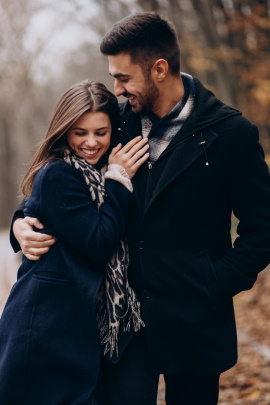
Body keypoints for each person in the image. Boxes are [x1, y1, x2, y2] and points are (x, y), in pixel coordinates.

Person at [10, 12, 270, 405]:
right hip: (125, 325)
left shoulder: (232, 134)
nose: (116, 87)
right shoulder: (117, 122)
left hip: (196, 320)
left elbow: (263, 229)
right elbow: (68, 178)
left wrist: (217, 282)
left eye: (123, 77)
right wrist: (21, 223)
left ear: (159, 69)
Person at [1, 79, 149, 405]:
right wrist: (119, 181)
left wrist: (18, 221)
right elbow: (98, 243)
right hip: (46, 330)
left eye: (101, 132)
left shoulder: (100, 171)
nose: (91, 142)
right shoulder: (61, 173)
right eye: (80, 132)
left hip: (88, 327)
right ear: (64, 130)